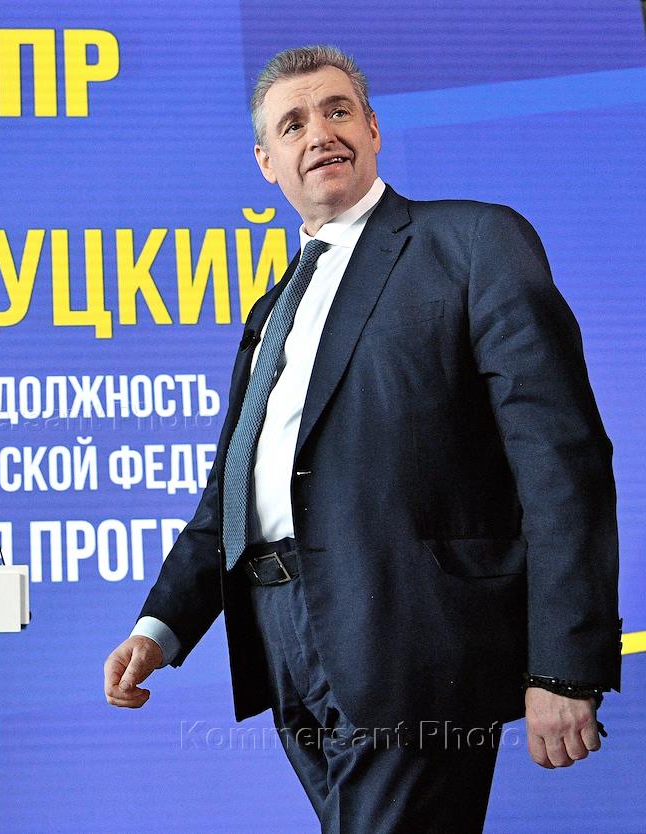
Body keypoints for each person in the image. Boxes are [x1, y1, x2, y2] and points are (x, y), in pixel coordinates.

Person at [103, 44, 621, 832]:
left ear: (373, 129)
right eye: (293, 124)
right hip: (283, 645)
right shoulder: (272, 310)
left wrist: (564, 664)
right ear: (266, 163)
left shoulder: (472, 242)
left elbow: (561, 459)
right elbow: (236, 492)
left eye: (338, 110)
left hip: (415, 639)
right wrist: (159, 628)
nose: (320, 133)